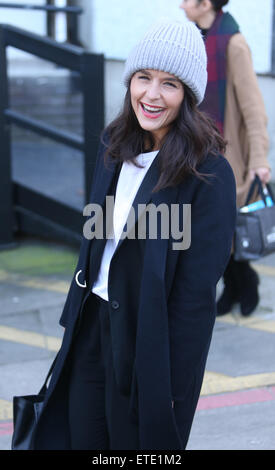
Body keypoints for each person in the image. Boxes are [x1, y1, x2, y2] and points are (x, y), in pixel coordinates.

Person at [30, 19, 236, 450]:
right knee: (81, 439)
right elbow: (93, 243)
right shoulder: (114, 145)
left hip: (148, 341)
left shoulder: (208, 173)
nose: (152, 95)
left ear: (188, 96)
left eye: (170, 84)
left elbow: (195, 296)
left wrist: (175, 387)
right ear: (129, 82)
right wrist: (72, 328)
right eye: (143, 77)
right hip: (91, 328)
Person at [180, 0, 271, 317]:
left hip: (228, 154)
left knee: (227, 227)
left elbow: (253, 108)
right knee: (212, 228)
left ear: (205, 3)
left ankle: (244, 283)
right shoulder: (194, 38)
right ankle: (236, 285)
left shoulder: (233, 43)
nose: (180, 5)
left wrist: (260, 158)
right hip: (196, 150)